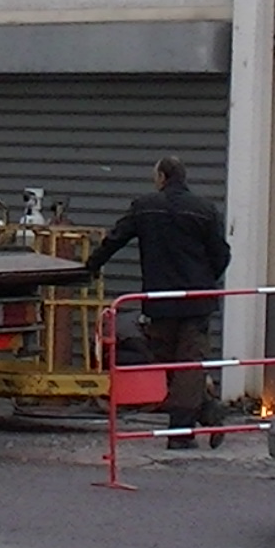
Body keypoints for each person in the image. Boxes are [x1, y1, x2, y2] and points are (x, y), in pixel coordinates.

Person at [84, 157, 230, 443]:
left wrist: (89, 267)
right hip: (196, 299)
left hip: (159, 300)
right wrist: (206, 281)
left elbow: (115, 239)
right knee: (187, 362)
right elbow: (221, 254)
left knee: (164, 360)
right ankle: (206, 411)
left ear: (162, 177)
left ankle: (181, 431)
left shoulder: (145, 207)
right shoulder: (204, 210)